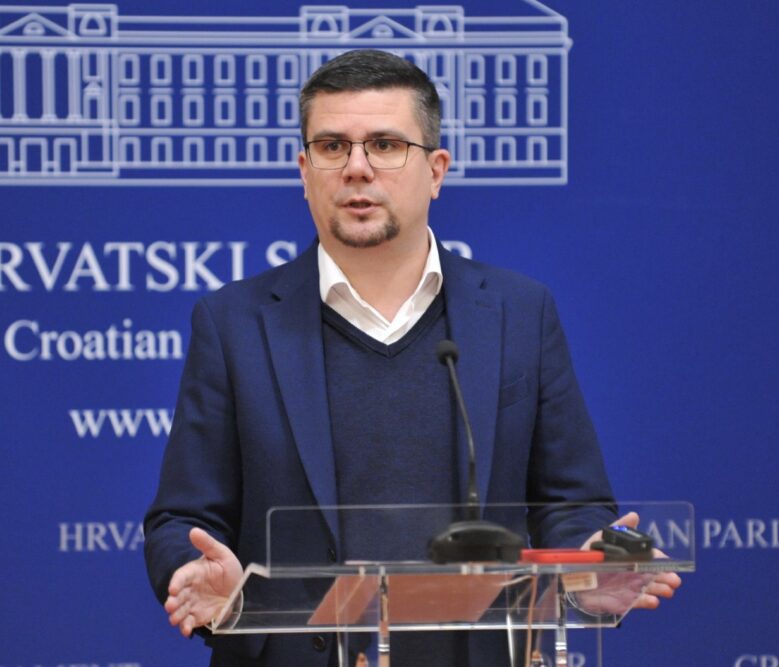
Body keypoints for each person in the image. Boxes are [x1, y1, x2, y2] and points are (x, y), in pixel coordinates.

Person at [144, 49, 680, 666]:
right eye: (332, 147)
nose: (357, 168)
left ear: (436, 170)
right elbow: (181, 517)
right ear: (304, 171)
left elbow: (570, 502)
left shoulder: (518, 313)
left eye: (386, 145)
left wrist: (589, 561)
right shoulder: (234, 323)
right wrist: (190, 570)